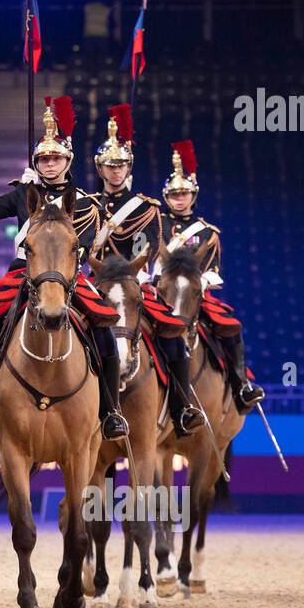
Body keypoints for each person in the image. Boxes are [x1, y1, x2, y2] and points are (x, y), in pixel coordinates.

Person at [0, 96, 128, 440]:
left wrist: (47, 212)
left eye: (56, 158)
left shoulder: (86, 202)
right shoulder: (23, 195)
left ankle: (110, 411)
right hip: (24, 272)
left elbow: (86, 242)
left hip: (68, 277)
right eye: (44, 158)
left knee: (104, 331)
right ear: (36, 162)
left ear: (68, 161)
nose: (50, 164)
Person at [89, 104, 204, 436]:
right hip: (96, 282)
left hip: (132, 282)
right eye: (109, 166)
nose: (115, 172)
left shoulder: (146, 207)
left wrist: (138, 276)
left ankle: (183, 406)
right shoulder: (87, 204)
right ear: (100, 168)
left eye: (121, 165)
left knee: (171, 337)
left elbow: (150, 248)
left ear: (129, 167)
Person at [160, 140, 264, 412]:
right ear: (166, 197)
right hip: (161, 292)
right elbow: (145, 257)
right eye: (174, 195)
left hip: (194, 291)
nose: (179, 199)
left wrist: (200, 282)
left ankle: (241, 384)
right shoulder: (155, 224)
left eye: (183, 194)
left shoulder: (207, 232)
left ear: (193, 196)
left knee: (230, 326)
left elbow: (213, 269)